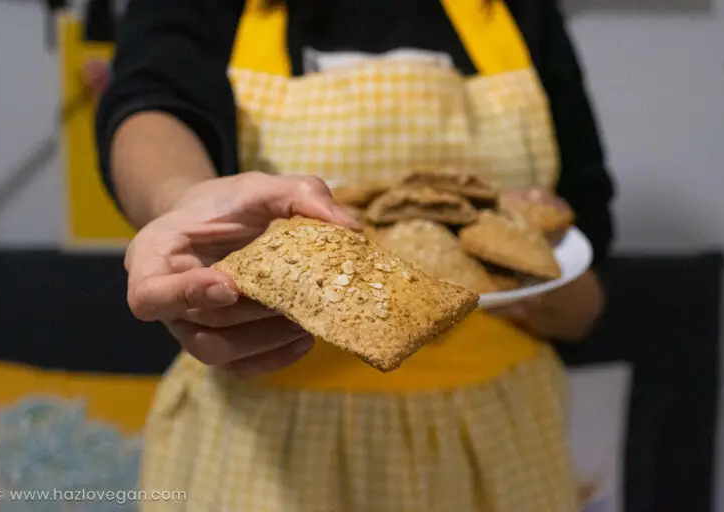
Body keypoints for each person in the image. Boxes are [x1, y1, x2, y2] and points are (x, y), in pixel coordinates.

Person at [95, 0, 615, 510]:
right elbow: (153, 104)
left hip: (500, 446)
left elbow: (586, 251)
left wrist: (543, 288)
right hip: (262, 448)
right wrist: (182, 199)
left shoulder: (515, 10)